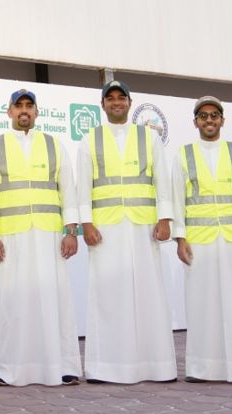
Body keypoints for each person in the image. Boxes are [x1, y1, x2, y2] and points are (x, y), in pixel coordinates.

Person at [0, 89, 82, 387]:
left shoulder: (53, 145)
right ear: (9, 111)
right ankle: (7, 368)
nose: (24, 110)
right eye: (18, 106)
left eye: (29, 106)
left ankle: (63, 366)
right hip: (10, 237)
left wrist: (71, 231)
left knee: (54, 298)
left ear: (37, 112)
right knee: (12, 301)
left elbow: (68, 189)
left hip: (49, 235)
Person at [77, 80, 177, 384]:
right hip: (105, 228)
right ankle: (105, 368)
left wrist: (165, 218)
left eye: (121, 98)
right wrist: (86, 223)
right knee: (107, 295)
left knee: (149, 294)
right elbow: (83, 187)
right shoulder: (89, 139)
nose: (116, 102)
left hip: (143, 227)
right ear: (103, 105)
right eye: (110, 98)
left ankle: (156, 366)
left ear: (130, 103)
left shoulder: (150, 138)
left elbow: (162, 182)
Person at [172, 96, 232, 383]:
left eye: (214, 115)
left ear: (222, 120)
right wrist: (180, 239)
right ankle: (202, 369)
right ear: (195, 122)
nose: (209, 120)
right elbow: (177, 200)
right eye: (203, 116)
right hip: (199, 242)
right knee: (202, 306)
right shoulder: (184, 155)